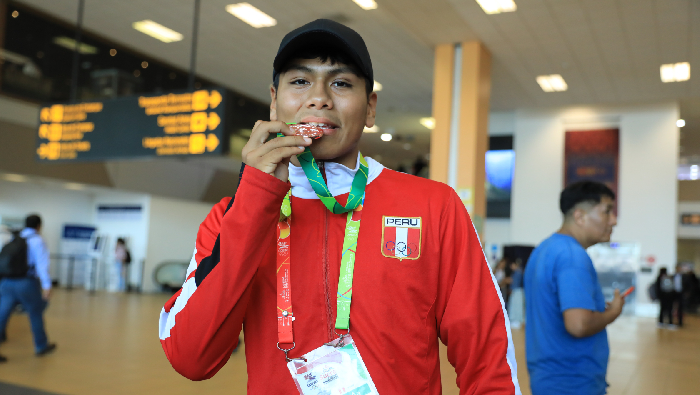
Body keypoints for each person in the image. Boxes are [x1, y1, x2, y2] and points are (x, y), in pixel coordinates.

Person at [159, 19, 520, 394]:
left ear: (370, 108)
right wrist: (255, 201)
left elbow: (488, 357)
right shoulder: (232, 215)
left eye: (341, 83)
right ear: (273, 101)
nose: (319, 98)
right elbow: (191, 357)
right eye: (299, 82)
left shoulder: (434, 206)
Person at [524, 181, 624, 395]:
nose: (614, 221)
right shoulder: (573, 256)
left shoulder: (544, 249)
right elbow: (578, 325)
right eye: (607, 212)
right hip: (573, 382)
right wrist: (612, 313)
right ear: (580, 216)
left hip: (546, 378)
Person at [0, 214, 56, 361]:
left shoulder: (14, 239)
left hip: (6, 282)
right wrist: (47, 286)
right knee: (35, 313)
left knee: (2, 315)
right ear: (39, 226)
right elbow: (42, 265)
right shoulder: (37, 240)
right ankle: (41, 346)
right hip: (26, 282)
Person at [507, 260, 525, 329]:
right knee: (515, 306)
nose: (511, 267)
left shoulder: (518, 272)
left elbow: (514, 282)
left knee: (517, 306)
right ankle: (516, 320)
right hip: (517, 291)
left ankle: (517, 321)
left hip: (517, 291)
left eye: (512, 265)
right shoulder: (518, 272)